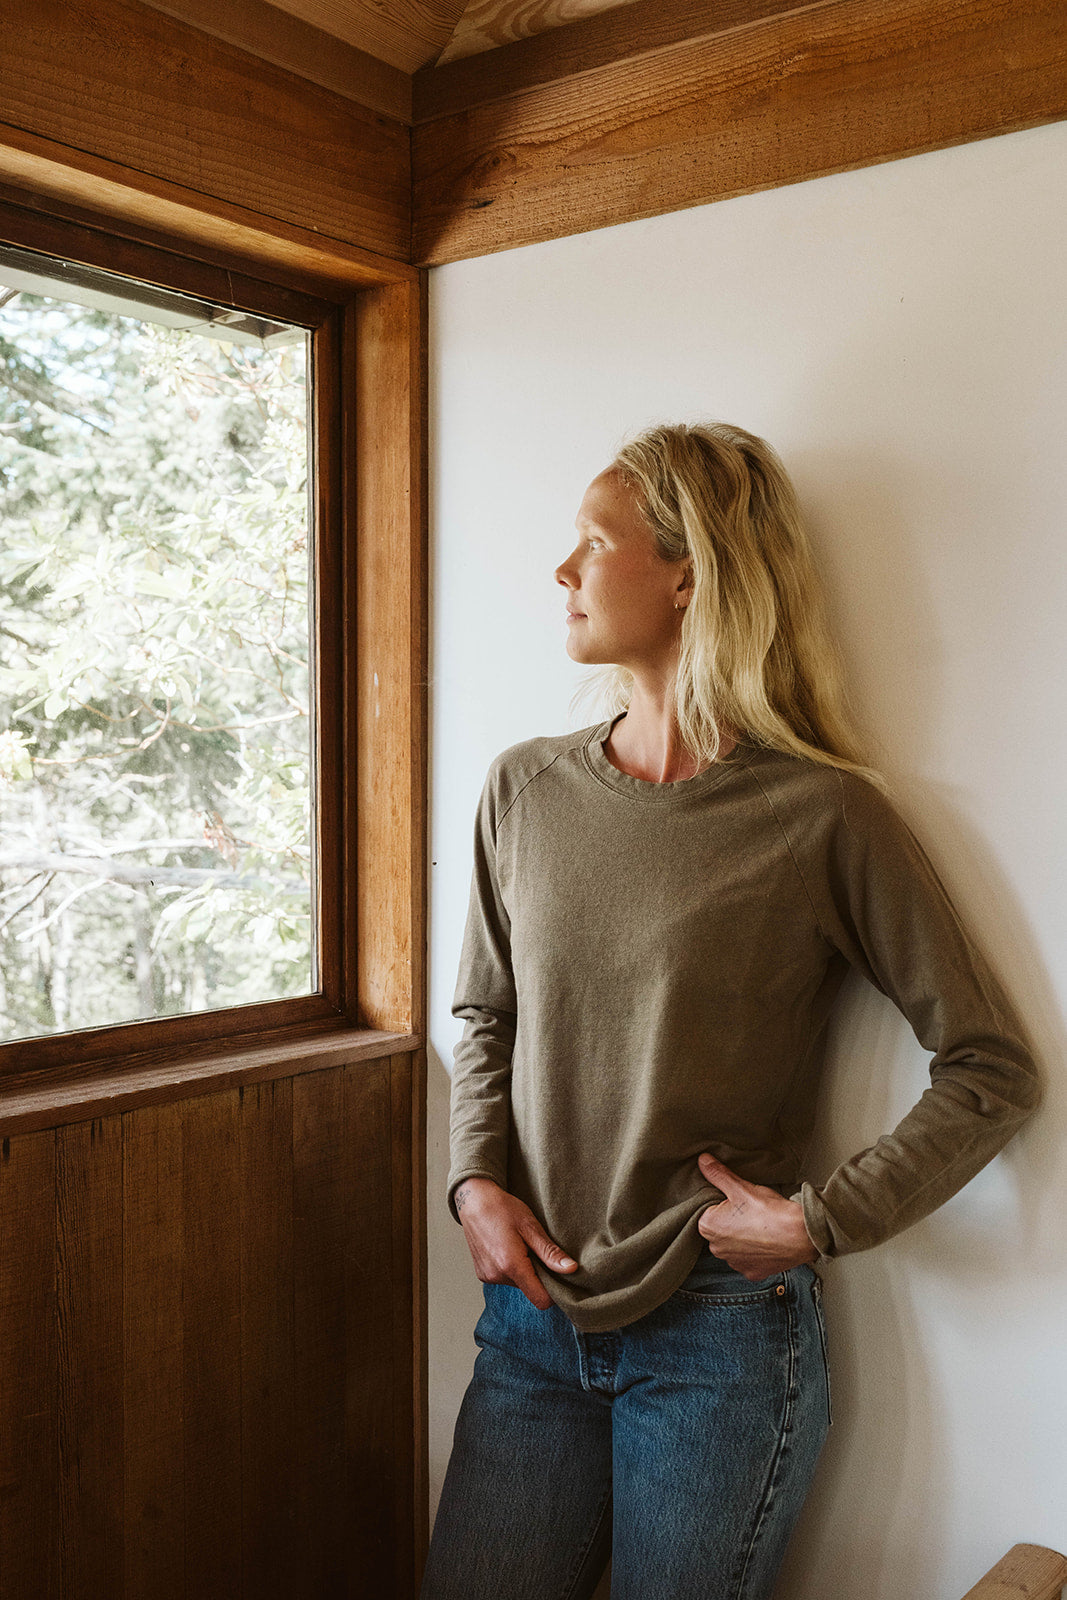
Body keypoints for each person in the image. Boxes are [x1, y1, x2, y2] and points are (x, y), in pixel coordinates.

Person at [421, 422, 1040, 1600]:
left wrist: (819, 1219)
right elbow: (485, 1012)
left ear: (687, 572)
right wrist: (473, 1181)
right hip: (533, 1322)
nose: (561, 571)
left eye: (591, 542)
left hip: (719, 1337)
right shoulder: (524, 787)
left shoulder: (821, 816)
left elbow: (987, 1065)